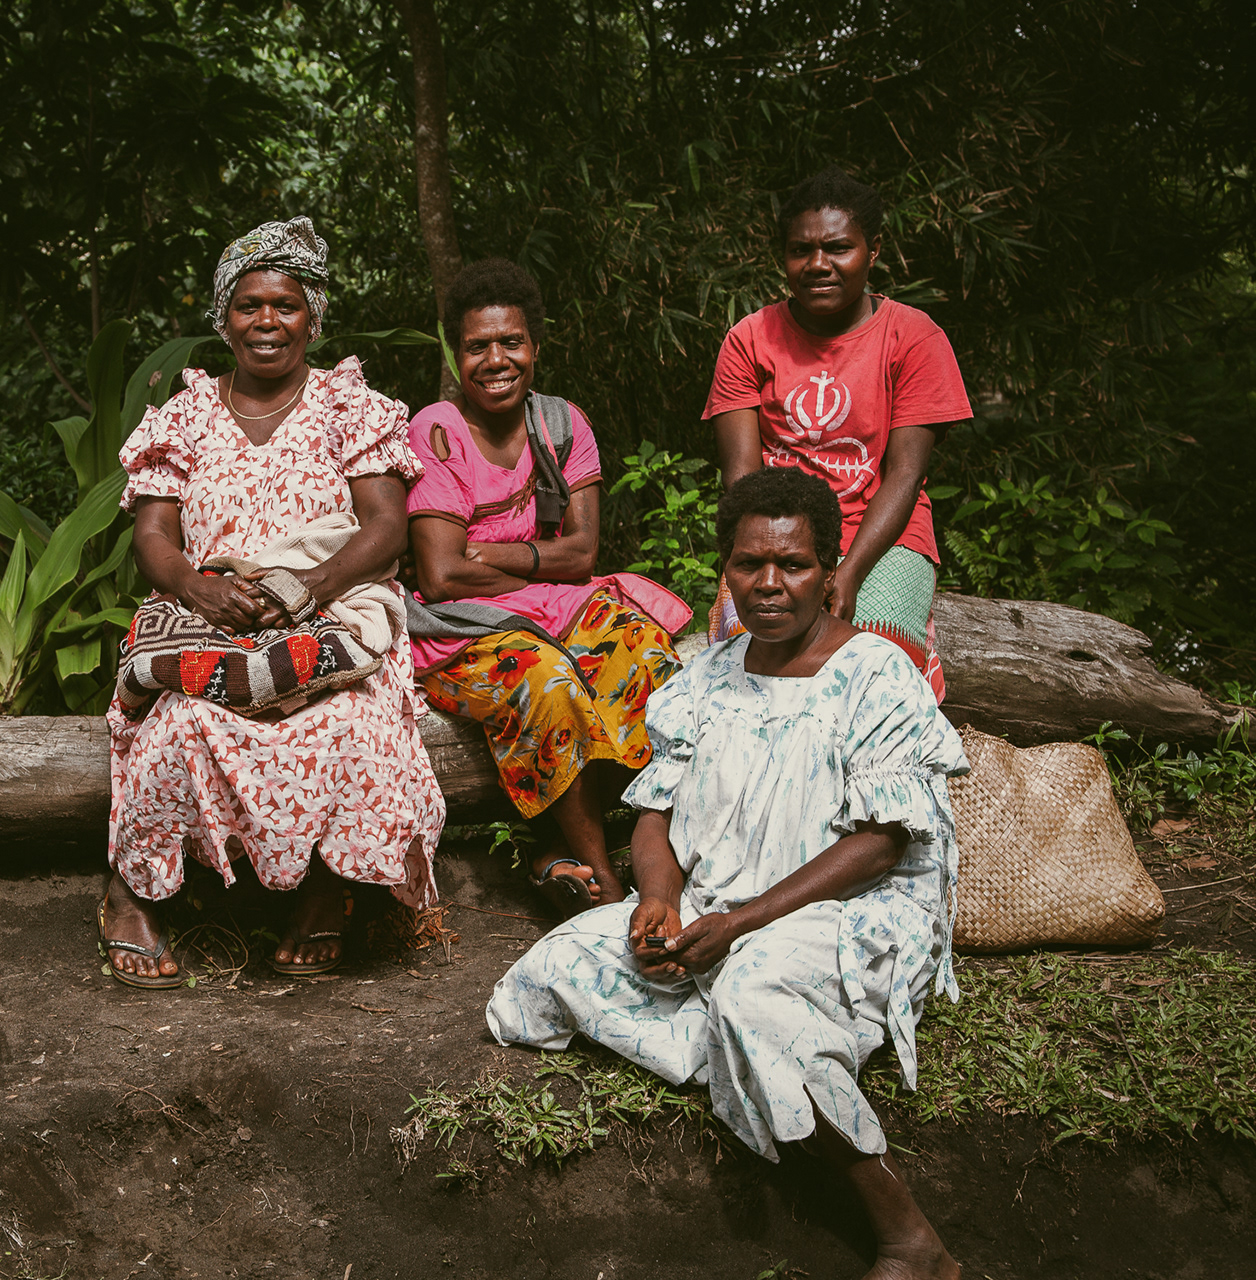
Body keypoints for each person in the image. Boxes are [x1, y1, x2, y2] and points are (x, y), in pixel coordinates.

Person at [489, 467, 968, 1280]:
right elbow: (657, 811)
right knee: (550, 970)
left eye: (794, 565)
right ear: (726, 569)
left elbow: (883, 845)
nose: (770, 584)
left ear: (829, 572)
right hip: (714, 904)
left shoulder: (877, 675)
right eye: (750, 564)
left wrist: (742, 925)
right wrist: (661, 902)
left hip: (847, 908)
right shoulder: (707, 673)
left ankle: (910, 1239)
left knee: (752, 997)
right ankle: (753, 1053)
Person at [99, 216, 445, 988]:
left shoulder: (352, 408)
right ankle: (134, 894)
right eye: (248, 305)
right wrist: (198, 587)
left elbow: (387, 527)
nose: (266, 321)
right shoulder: (182, 417)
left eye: (284, 305)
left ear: (313, 317)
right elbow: (153, 532)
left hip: (330, 609)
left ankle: (326, 895)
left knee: (354, 719)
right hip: (210, 610)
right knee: (181, 717)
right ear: (222, 318)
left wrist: (304, 590)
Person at [407, 258, 690, 916]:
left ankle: (646, 852)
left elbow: (584, 553)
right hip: (459, 634)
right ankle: (605, 885)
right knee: (548, 682)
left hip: (558, 606)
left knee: (650, 660)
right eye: (478, 346)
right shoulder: (438, 432)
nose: (496, 359)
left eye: (511, 342)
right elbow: (441, 576)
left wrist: (494, 549)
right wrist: (543, 556)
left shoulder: (561, 423)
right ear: (457, 352)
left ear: (536, 345)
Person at [705, 167, 972, 699]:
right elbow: (743, 481)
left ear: (873, 251)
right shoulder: (750, 338)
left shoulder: (914, 337)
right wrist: (780, 564)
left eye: (837, 248)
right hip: (776, 534)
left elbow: (903, 475)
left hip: (882, 532)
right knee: (747, 651)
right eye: (800, 250)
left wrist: (846, 574)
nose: (817, 265)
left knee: (876, 652)